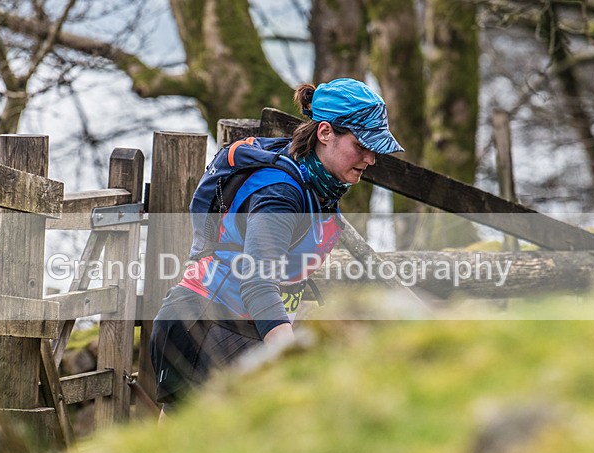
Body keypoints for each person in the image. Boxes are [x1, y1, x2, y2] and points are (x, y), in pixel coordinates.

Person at [150, 78, 404, 414]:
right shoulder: (281, 195)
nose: (370, 159)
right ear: (325, 133)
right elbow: (257, 280)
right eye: (361, 145)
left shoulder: (313, 180)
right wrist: (289, 355)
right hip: (204, 329)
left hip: (229, 327)